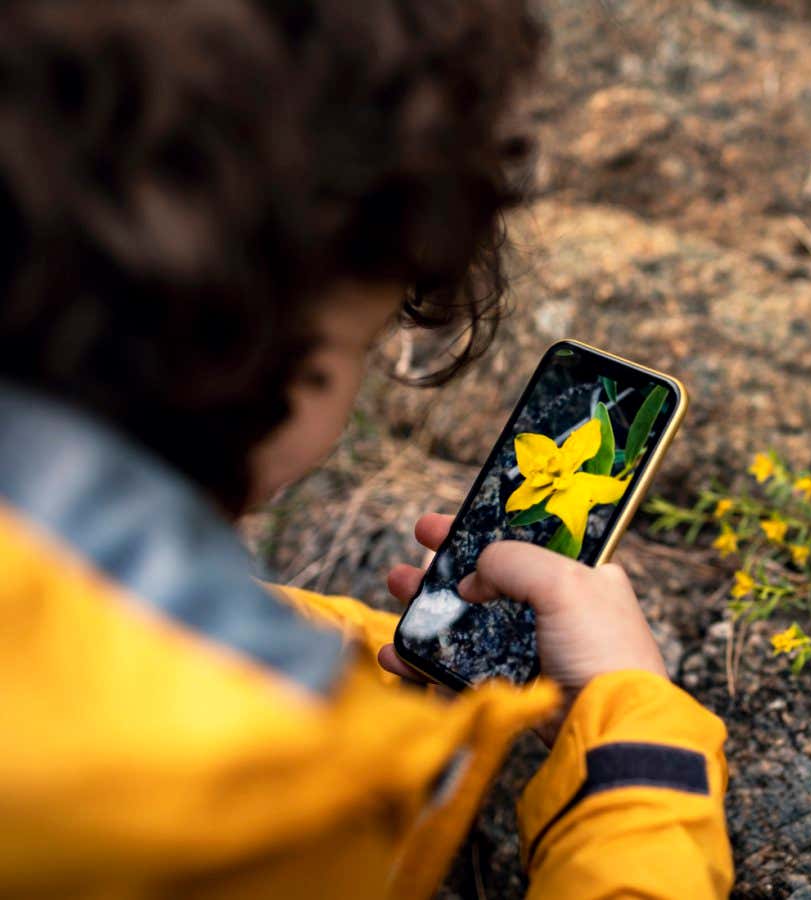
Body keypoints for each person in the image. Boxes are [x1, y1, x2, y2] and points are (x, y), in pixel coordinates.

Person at [0, 1, 733, 897]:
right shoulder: (223, 806)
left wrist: (352, 662)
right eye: (363, 344)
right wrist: (632, 744)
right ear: (277, 362)